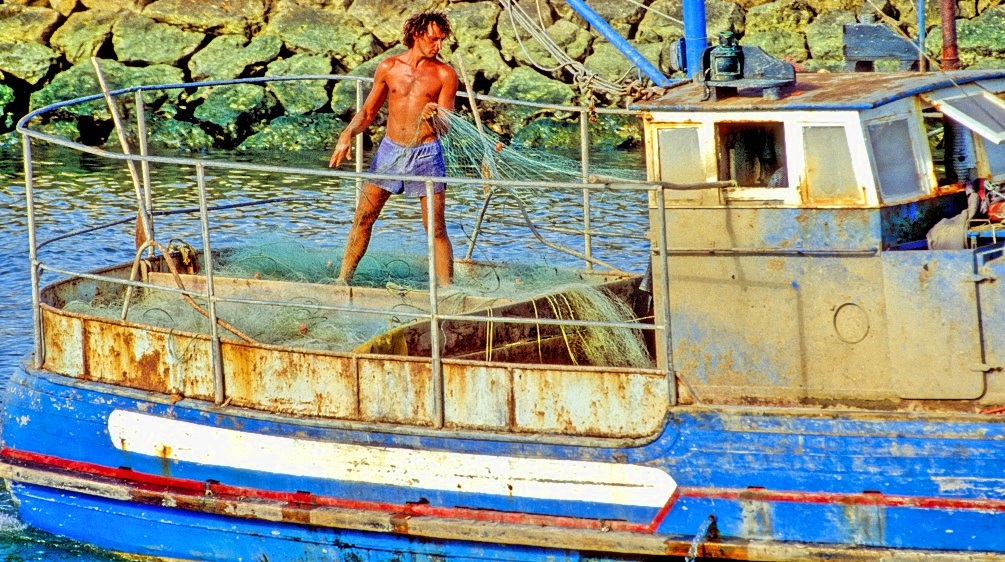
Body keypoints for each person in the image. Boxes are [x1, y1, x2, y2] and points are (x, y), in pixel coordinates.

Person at [329, 11, 458, 286]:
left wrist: (433, 117)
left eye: (442, 40)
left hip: (426, 153)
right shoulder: (389, 67)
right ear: (416, 35)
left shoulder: (445, 74)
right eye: (434, 39)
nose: (439, 46)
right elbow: (367, 112)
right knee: (364, 216)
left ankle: (448, 293)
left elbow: (446, 126)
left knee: (435, 228)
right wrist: (347, 133)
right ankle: (342, 280)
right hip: (390, 151)